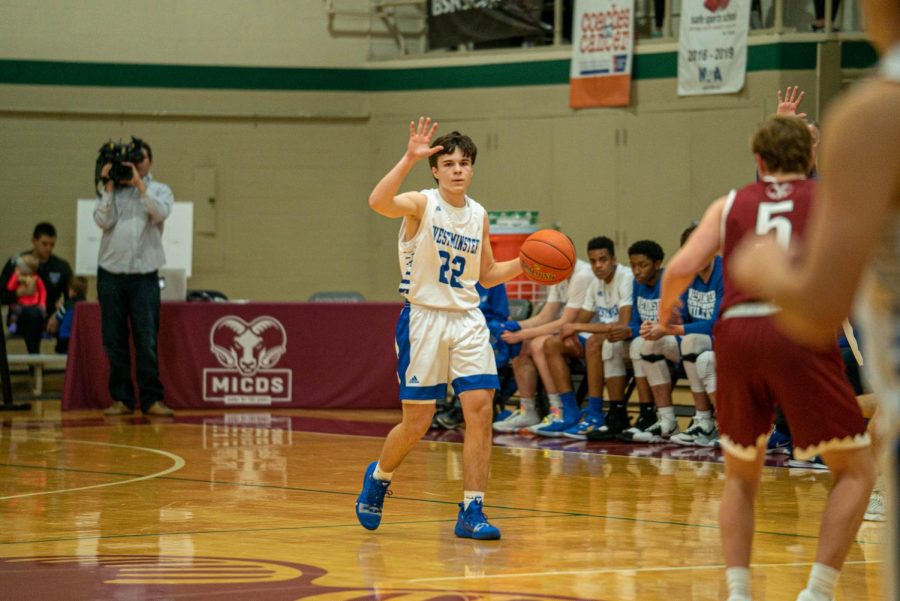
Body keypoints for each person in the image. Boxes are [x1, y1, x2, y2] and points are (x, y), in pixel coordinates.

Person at [659, 115, 876, 601]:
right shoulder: (828, 198)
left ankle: (738, 593)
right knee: (857, 470)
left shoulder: (730, 202)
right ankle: (816, 593)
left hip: (735, 331)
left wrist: (670, 310)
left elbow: (680, 267)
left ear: (758, 161)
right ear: (812, 159)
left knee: (741, 473)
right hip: (794, 323)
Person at [731, 2, 899, 595]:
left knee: (873, 404)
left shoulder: (876, 119)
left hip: (838, 308)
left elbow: (816, 289)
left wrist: (766, 268)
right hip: (853, 311)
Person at [355, 117, 523, 540]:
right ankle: (380, 474)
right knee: (418, 422)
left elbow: (485, 274)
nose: (457, 170)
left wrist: (527, 263)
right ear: (435, 169)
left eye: (464, 163)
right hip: (424, 318)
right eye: (448, 163)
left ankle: (472, 510)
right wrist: (408, 157)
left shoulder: (479, 213)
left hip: (467, 319)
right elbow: (377, 201)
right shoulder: (421, 203)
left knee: (480, 412)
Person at [94, 138, 174, 417]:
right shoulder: (112, 189)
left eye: (140, 158)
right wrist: (109, 187)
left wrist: (140, 186)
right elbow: (103, 222)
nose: (134, 164)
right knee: (113, 339)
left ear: (149, 162)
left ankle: (152, 399)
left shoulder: (159, 189)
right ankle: (121, 399)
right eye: (131, 159)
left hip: (144, 275)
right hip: (111, 273)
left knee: (146, 338)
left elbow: (159, 213)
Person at [543, 236, 634, 440]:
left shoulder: (625, 277)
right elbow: (582, 319)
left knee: (593, 341)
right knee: (552, 344)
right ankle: (570, 411)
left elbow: (623, 323)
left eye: (603, 260)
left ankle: (595, 413)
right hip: (603, 337)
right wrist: (571, 332)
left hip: (625, 338)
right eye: (593, 261)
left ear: (614, 260)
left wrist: (575, 327)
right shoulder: (596, 283)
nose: (598, 266)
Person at [493, 252, 594, 434]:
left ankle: (558, 411)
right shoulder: (559, 273)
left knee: (538, 344)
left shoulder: (583, 274)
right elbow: (545, 316)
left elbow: (565, 322)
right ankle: (528, 411)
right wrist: (515, 326)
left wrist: (522, 333)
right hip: (566, 333)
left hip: (587, 334)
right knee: (521, 346)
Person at [667, 224, 725, 447]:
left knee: (695, 347)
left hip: (725, 338)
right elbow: (682, 318)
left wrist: (677, 329)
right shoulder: (686, 275)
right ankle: (664, 419)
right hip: (698, 340)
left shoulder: (725, 272)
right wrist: (668, 321)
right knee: (645, 345)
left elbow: (718, 322)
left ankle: (706, 420)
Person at [616, 239, 673, 442]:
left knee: (642, 343)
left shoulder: (670, 281)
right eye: (633, 265)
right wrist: (625, 332)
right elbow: (635, 323)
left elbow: (680, 319)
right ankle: (645, 414)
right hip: (650, 340)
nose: (637, 271)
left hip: (673, 339)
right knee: (623, 344)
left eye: (643, 265)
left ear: (657, 264)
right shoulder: (636, 284)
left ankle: (657, 415)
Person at [0, 222, 72, 354]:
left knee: (74, 316)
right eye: (44, 244)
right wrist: (18, 293)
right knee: (33, 314)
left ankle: (69, 361)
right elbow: (2, 296)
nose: (48, 248)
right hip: (20, 316)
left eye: (52, 244)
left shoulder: (61, 267)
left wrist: (59, 313)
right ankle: (35, 364)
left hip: (50, 318)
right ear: (34, 241)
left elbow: (72, 299)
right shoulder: (17, 263)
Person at [51, 276, 88, 355]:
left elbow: (58, 318)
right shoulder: (86, 305)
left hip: (65, 339)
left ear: (73, 291)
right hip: (81, 339)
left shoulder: (67, 304)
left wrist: (58, 308)